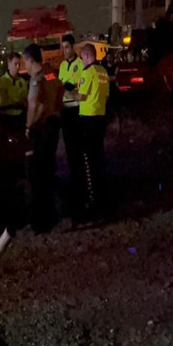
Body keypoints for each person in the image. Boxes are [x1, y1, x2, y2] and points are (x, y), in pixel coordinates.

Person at [66, 43, 110, 219]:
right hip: (101, 117)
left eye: (82, 58)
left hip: (88, 120)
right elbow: (106, 96)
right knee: (99, 158)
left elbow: (81, 96)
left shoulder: (88, 72)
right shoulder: (103, 72)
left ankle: (92, 201)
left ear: (86, 56)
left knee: (88, 161)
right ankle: (103, 195)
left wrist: (68, 93)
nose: (81, 61)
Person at [23, 44, 63, 233]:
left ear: (30, 60)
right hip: (54, 124)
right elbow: (60, 91)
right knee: (49, 170)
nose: (25, 66)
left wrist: (28, 127)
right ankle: (54, 212)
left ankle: (41, 219)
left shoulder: (36, 80)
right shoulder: (50, 74)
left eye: (25, 62)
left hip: (41, 128)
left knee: (36, 174)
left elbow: (33, 105)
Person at [58, 34, 84, 207]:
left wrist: (68, 90)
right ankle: (74, 176)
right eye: (63, 47)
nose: (64, 50)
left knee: (78, 147)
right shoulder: (62, 65)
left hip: (76, 109)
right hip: (65, 110)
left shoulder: (80, 64)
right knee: (68, 146)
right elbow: (61, 85)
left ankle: (81, 179)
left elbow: (78, 89)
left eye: (67, 47)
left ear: (73, 46)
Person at [0, 52, 28, 132]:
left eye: (19, 64)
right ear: (9, 64)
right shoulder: (1, 81)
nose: (18, 67)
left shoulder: (22, 81)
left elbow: (25, 97)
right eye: (15, 64)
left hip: (20, 117)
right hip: (6, 118)